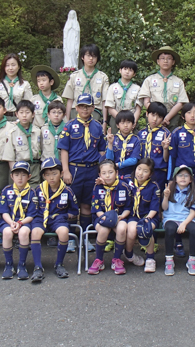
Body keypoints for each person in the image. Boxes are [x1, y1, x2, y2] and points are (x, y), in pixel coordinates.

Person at [57, 93, 107, 252]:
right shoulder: (69, 125)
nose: (85, 109)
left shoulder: (98, 126)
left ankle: (85, 238)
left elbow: (101, 150)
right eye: (81, 106)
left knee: (87, 204)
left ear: (93, 108)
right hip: (74, 169)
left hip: (92, 169)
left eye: (88, 106)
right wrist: (65, 170)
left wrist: (101, 171)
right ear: (76, 108)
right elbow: (64, 149)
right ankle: (71, 239)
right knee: (72, 204)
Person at [30, 158, 80, 282]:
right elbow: (33, 208)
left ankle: (59, 264)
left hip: (58, 219)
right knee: (35, 232)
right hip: (41, 218)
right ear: (43, 176)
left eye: (54, 173)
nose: (51, 177)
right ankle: (37, 267)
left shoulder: (67, 191)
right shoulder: (38, 190)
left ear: (61, 174)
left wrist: (65, 216)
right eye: (47, 174)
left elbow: (74, 211)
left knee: (63, 232)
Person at [87, 160, 133, 275]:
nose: (107, 175)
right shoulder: (97, 187)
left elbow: (128, 207)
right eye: (104, 173)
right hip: (101, 217)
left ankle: (117, 259)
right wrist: (104, 218)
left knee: (122, 228)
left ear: (116, 173)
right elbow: (96, 208)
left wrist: (122, 216)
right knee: (103, 229)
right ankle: (99, 260)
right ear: (99, 175)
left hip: (120, 217)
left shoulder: (124, 186)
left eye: (110, 172)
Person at [0, 161, 38, 280]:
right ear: (11, 176)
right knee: (7, 232)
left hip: (24, 221)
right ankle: (9, 265)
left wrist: (20, 223)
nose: (20, 178)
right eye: (17, 175)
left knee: (24, 232)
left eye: (23, 175)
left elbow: (32, 214)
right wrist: (11, 223)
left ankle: (22, 265)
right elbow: (4, 211)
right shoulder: (6, 191)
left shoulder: (32, 193)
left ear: (29, 177)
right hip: (8, 221)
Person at [165, 102, 195, 192]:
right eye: (189, 112)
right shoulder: (177, 133)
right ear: (183, 116)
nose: (192, 116)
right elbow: (172, 158)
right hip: (183, 173)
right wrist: (171, 178)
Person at [138, 46, 189, 131]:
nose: (165, 61)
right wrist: (157, 116)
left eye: (169, 58)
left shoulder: (178, 81)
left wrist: (166, 118)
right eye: (162, 58)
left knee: (171, 141)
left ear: (173, 62)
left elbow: (180, 103)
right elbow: (146, 101)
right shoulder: (149, 80)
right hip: (153, 117)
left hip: (172, 118)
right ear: (158, 61)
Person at [162, 165, 195, 276]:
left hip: (186, 219)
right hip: (171, 217)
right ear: (175, 178)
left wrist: (184, 224)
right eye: (180, 175)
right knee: (170, 228)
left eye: (186, 175)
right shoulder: (170, 190)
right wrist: (165, 196)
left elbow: (193, 213)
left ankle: (192, 260)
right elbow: (164, 208)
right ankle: (169, 259)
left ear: (191, 179)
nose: (183, 178)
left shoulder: (193, 193)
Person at [124, 159, 161, 273]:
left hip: (149, 216)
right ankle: (129, 254)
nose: (140, 173)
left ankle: (150, 258)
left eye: (145, 171)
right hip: (134, 216)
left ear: (150, 174)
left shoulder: (154, 187)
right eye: (139, 169)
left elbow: (154, 208)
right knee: (131, 231)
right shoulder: (127, 182)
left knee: (146, 229)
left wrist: (147, 219)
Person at [62, 44, 109, 129]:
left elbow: (104, 101)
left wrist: (105, 122)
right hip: (76, 112)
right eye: (88, 55)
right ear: (82, 57)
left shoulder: (103, 77)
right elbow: (70, 100)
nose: (91, 58)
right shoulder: (74, 76)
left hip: (95, 113)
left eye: (94, 56)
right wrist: (67, 121)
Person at [0, 53, 34, 121]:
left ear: (18, 66)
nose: (10, 68)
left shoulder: (24, 84)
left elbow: (29, 106)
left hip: (17, 120)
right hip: (0, 120)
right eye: (7, 65)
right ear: (4, 67)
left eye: (13, 65)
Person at [3, 100, 42, 188]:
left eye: (27, 112)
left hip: (34, 166)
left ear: (33, 114)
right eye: (21, 112)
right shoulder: (12, 133)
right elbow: (10, 156)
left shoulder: (38, 131)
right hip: (19, 167)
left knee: (34, 191)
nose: (24, 115)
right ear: (16, 114)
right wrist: (14, 172)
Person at [138, 102, 170, 190]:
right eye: (153, 115)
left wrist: (165, 148)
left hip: (158, 171)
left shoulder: (166, 134)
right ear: (147, 114)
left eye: (159, 117)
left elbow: (166, 159)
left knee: (157, 196)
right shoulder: (141, 133)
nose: (155, 119)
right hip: (142, 172)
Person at [105, 60, 142, 133]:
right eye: (125, 69)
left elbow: (138, 108)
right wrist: (120, 120)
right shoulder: (112, 87)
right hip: (116, 120)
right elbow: (110, 107)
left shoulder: (137, 89)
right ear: (120, 70)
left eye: (130, 70)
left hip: (131, 121)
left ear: (134, 74)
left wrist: (133, 122)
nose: (127, 72)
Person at [105, 110, 141, 178]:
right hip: (114, 174)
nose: (126, 125)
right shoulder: (113, 138)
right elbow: (109, 159)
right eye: (122, 122)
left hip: (130, 174)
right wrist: (110, 143)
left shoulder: (136, 140)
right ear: (117, 125)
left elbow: (134, 160)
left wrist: (118, 165)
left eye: (128, 122)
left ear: (133, 125)